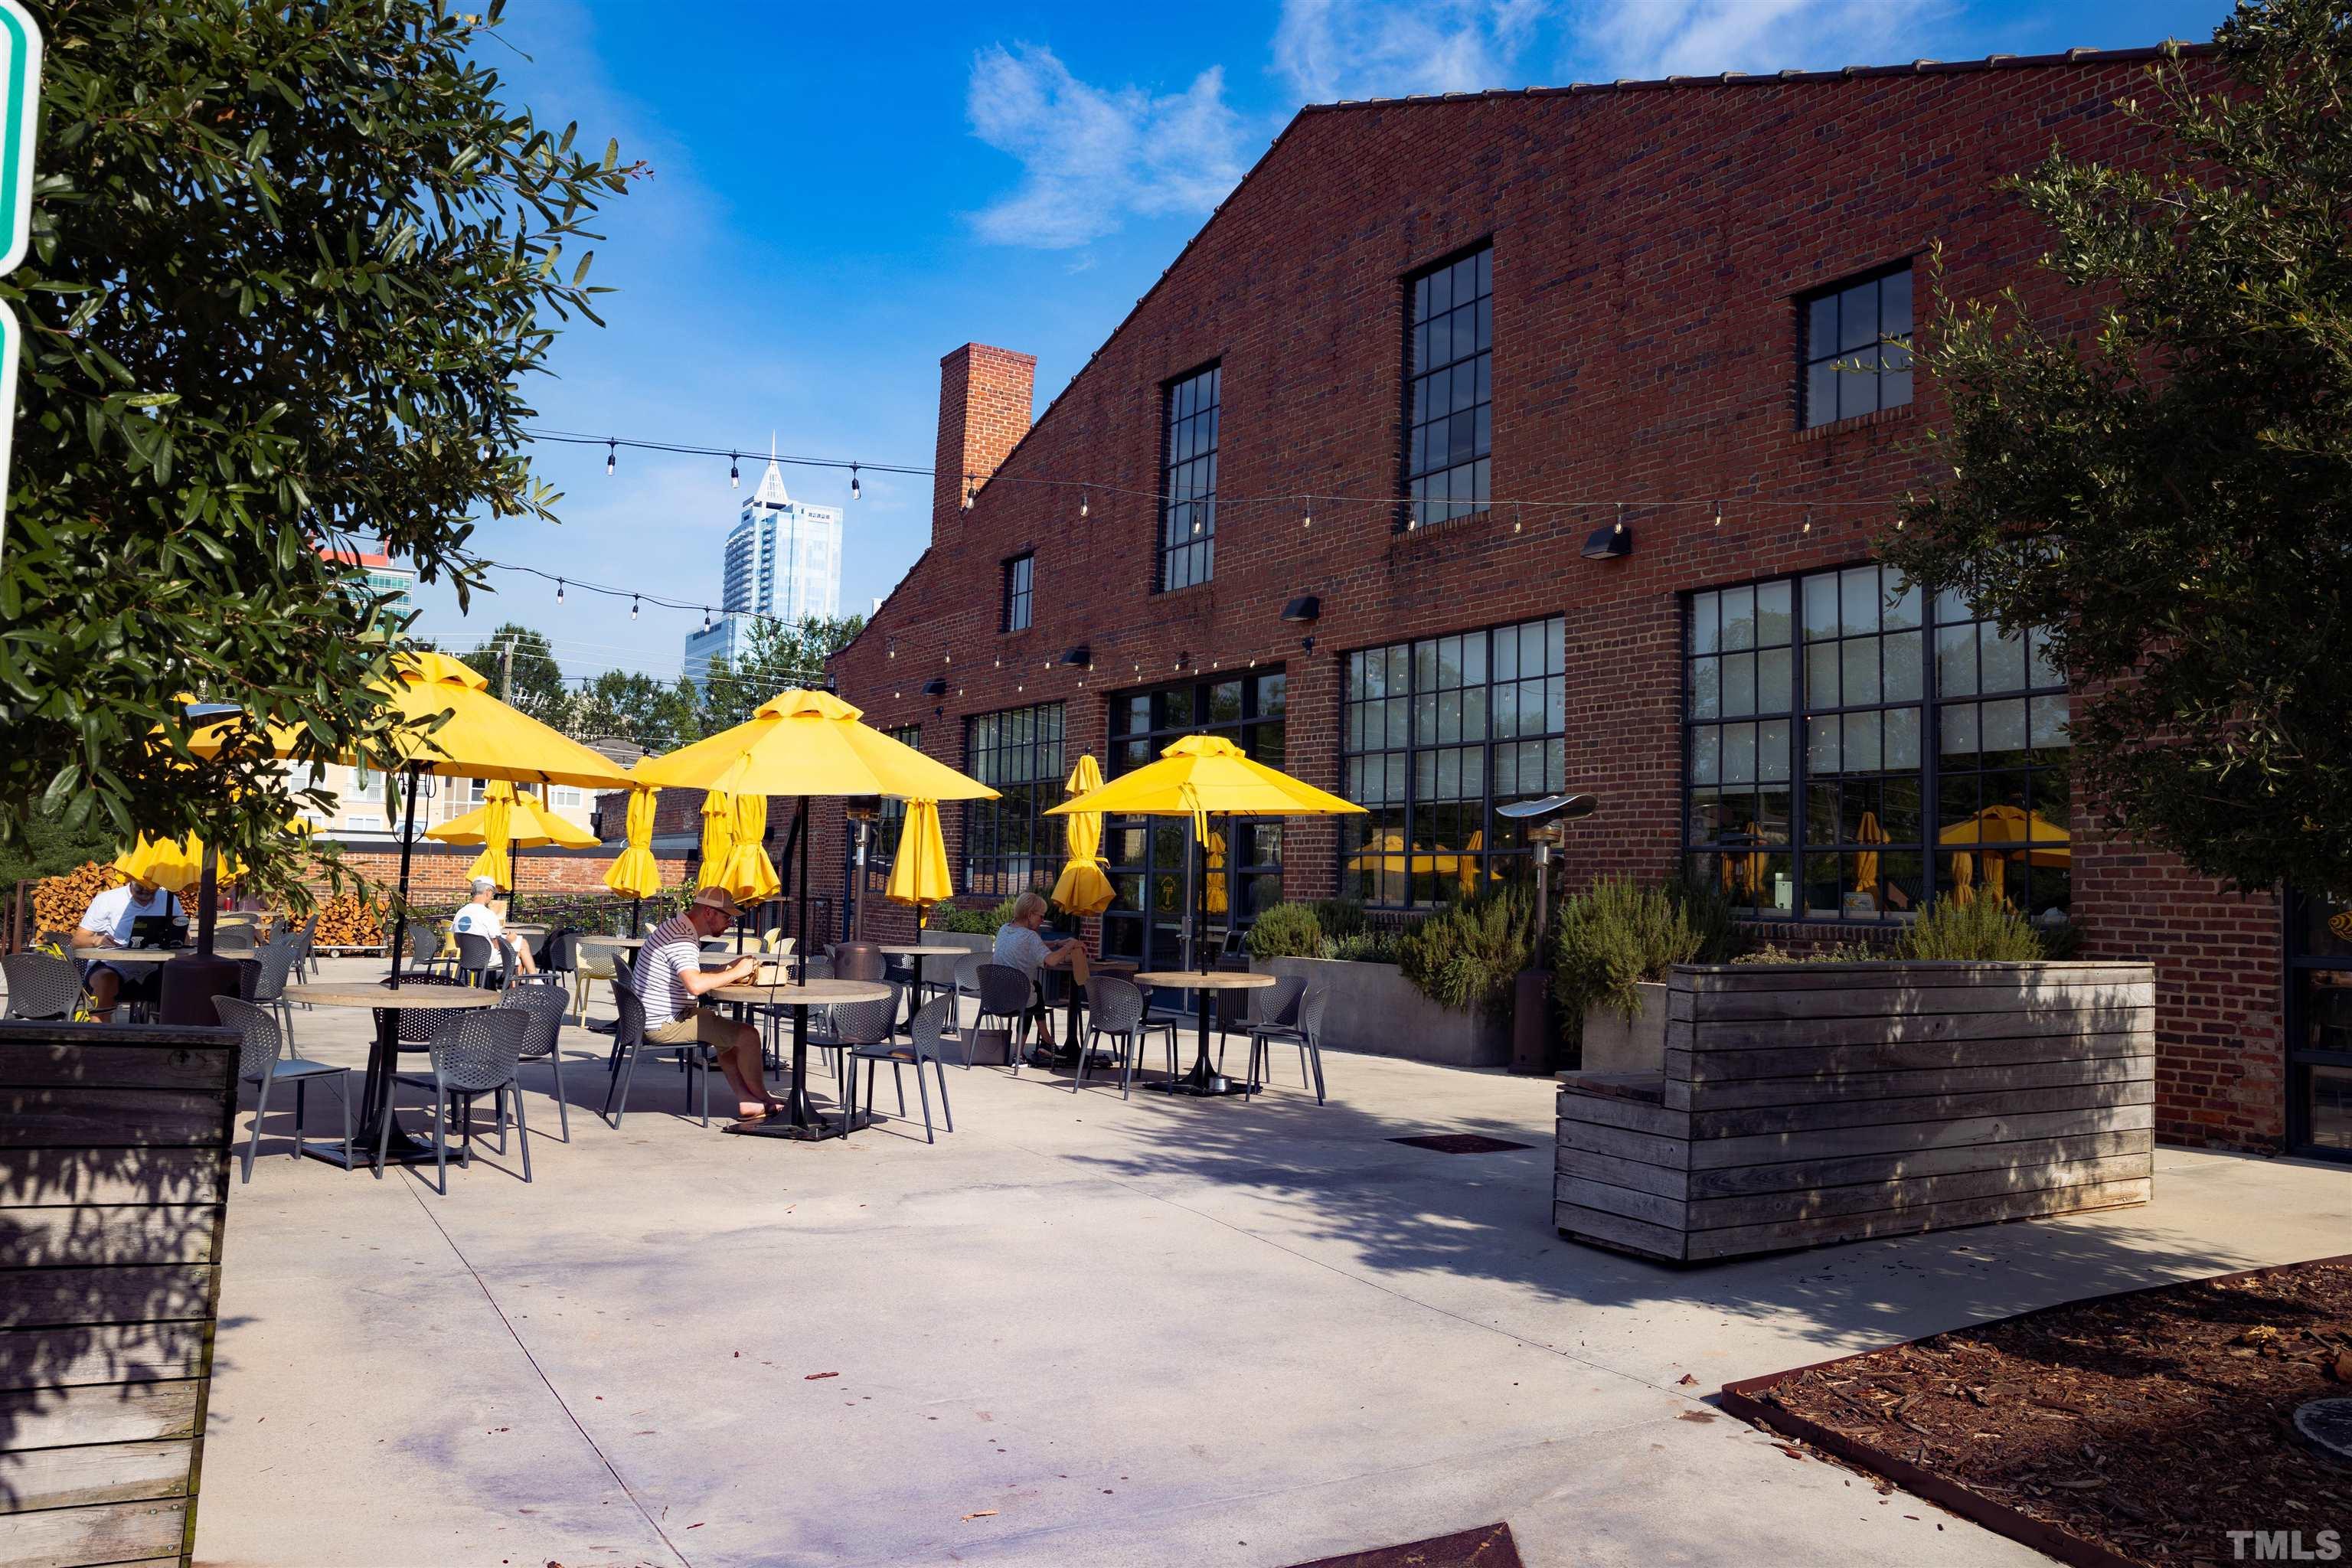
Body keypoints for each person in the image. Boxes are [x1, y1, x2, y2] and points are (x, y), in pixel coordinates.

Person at [633, 887, 782, 1124]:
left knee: (725, 1034)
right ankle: (764, 1099)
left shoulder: (676, 927)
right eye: (727, 916)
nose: (730, 923)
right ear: (709, 912)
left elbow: (692, 977)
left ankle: (747, 1100)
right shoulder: (682, 940)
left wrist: (729, 969)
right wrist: (738, 971)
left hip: (652, 1017)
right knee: (748, 1036)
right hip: (663, 1024)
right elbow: (695, 986)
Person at [73, 874, 185, 1021]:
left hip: (154, 966)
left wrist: (175, 936)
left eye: (152, 888)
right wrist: (97, 940)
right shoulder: (108, 900)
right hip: (112, 964)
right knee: (107, 979)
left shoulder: (169, 899)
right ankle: (99, 1034)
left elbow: (184, 936)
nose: (146, 891)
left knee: (181, 978)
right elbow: (77, 941)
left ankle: (171, 1033)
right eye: (141, 886)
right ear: (131, 881)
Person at [992, 890, 1086, 1057]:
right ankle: (1022, 1052)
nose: (1043, 920)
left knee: (1034, 987)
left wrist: (1058, 942)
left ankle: (1046, 1039)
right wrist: (1069, 946)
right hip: (1016, 1000)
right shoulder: (1030, 937)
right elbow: (1051, 961)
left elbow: (1035, 945)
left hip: (995, 997)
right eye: (1041, 916)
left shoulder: (1004, 929)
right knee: (1029, 993)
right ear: (1029, 915)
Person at [452, 876, 537, 977]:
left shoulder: (460, 913)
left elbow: (457, 943)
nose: (492, 896)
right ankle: (531, 980)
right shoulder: (488, 914)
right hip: (487, 959)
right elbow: (497, 945)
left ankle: (506, 985)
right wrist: (509, 940)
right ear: (487, 892)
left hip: (466, 959)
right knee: (521, 947)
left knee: (518, 951)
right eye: (492, 893)